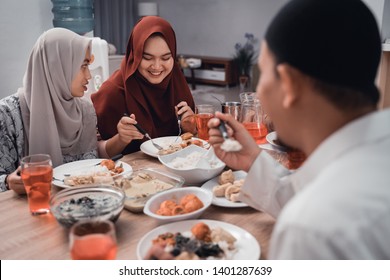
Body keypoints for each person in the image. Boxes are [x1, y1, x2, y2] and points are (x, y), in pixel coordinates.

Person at [208, 0, 390, 259]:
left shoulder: (309, 229)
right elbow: (315, 192)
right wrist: (253, 161)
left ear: (290, 84)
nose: (259, 92)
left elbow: (317, 212)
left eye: (264, 73)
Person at [0, 28, 98, 194]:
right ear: (56, 67)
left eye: (88, 65)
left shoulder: (85, 111)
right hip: (26, 211)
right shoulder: (8, 114)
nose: (89, 75)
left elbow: (91, 168)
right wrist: (8, 181)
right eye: (83, 66)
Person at [91, 16, 196, 157]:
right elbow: (95, 155)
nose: (157, 66)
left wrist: (191, 128)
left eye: (165, 58)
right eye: (147, 58)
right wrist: (121, 139)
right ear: (135, 55)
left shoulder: (177, 84)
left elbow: (192, 142)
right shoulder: (112, 92)